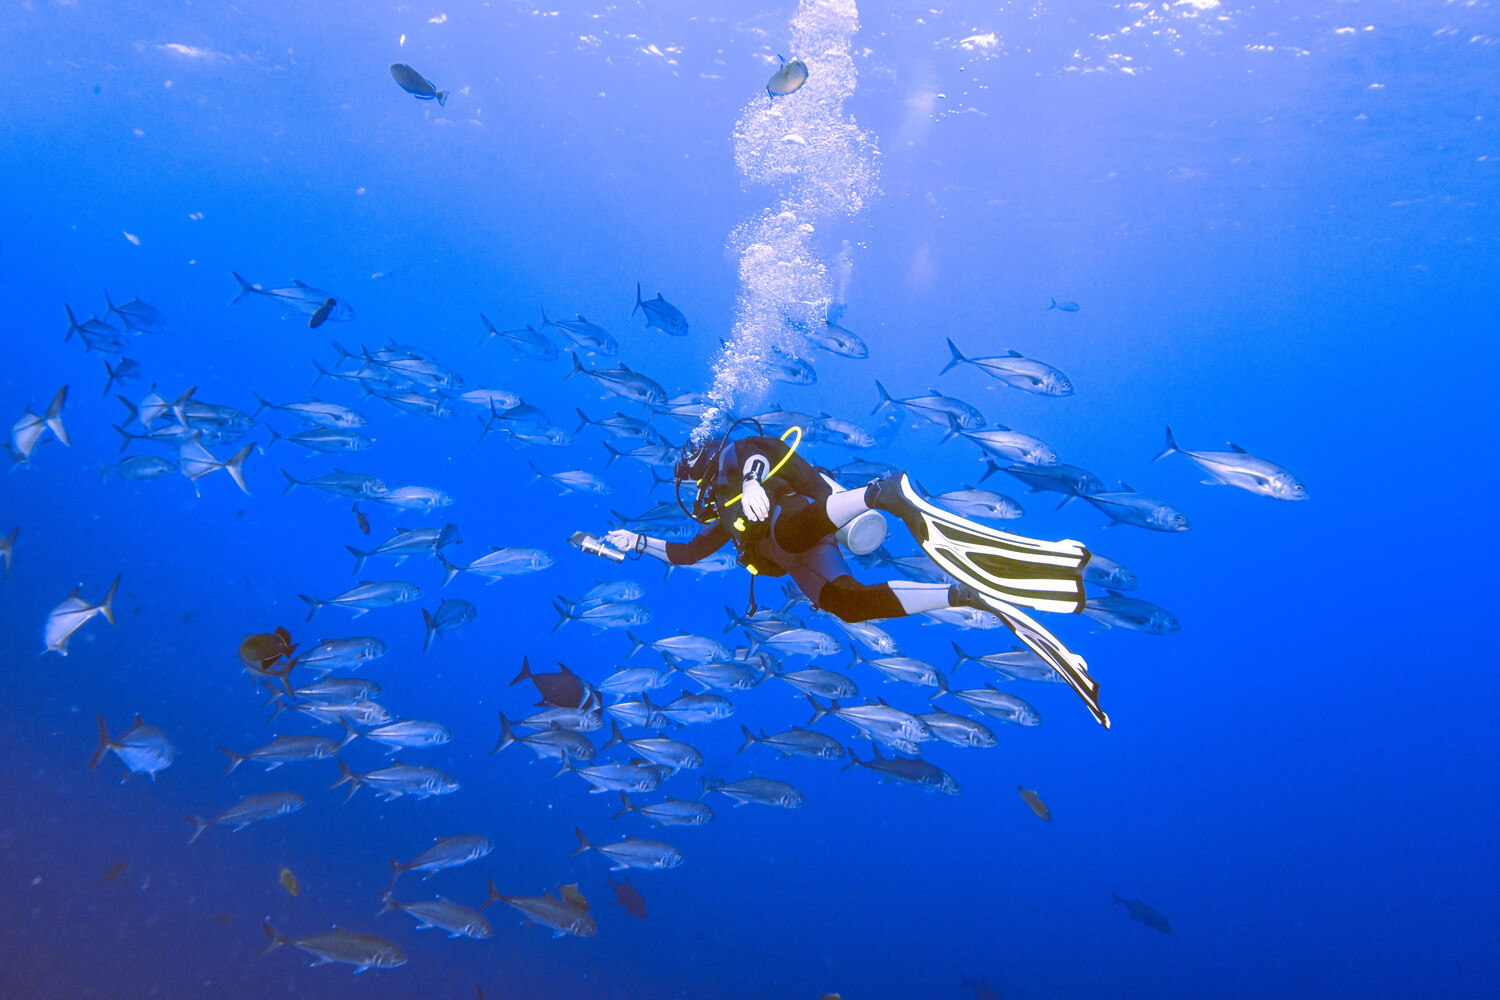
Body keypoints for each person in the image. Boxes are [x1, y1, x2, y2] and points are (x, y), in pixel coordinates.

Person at [603, 429, 1110, 727]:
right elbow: (689, 553)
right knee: (847, 605)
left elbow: (758, 450)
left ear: (698, 464)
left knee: (787, 530)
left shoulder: (732, 461)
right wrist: (638, 542)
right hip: (800, 560)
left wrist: (754, 481)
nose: (695, 497)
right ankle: (964, 594)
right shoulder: (724, 512)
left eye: (691, 483)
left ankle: (879, 493)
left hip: (795, 521)